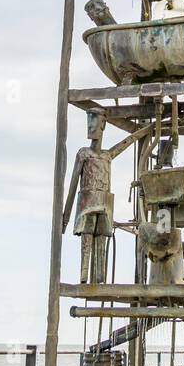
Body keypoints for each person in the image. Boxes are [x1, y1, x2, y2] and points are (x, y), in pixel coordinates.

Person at [62, 110, 151, 284]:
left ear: (102, 126)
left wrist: (146, 130)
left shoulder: (107, 156)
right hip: (87, 201)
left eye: (94, 123)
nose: (90, 127)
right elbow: (73, 183)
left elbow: (126, 143)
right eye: (89, 123)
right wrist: (65, 217)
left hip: (104, 202)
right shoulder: (84, 154)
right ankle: (84, 273)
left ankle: (99, 276)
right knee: (87, 235)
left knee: (102, 236)